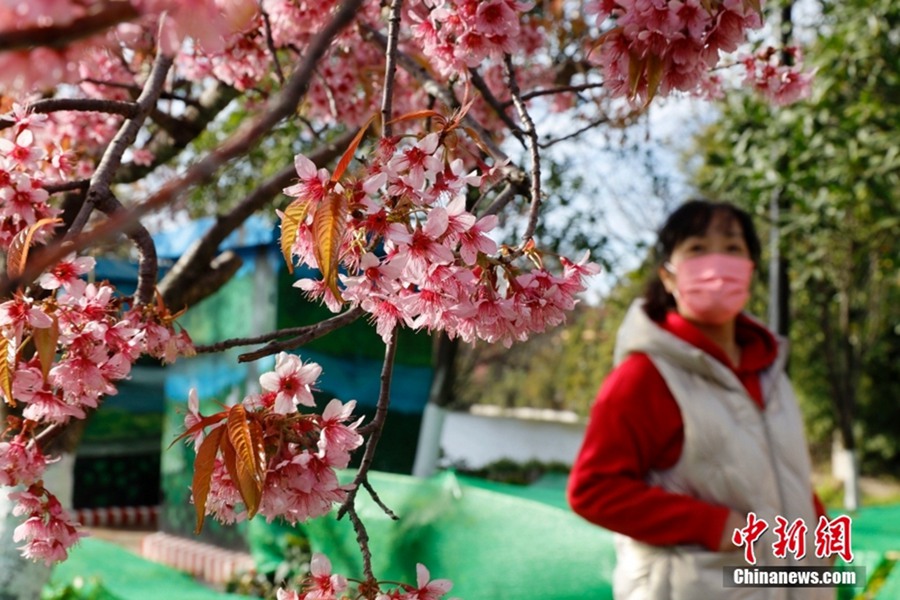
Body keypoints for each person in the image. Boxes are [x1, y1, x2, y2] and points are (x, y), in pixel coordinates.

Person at [567, 199, 833, 600]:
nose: (716, 264)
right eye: (696, 248)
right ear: (668, 276)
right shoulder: (645, 376)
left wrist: (818, 535)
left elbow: (785, 470)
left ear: (750, 270)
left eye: (732, 248)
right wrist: (717, 527)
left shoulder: (771, 372)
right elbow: (593, 489)